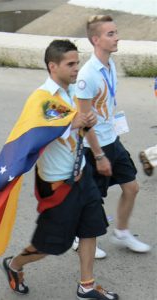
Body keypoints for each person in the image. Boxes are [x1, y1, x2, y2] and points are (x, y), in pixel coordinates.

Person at [2, 39, 119, 300]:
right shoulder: (41, 99)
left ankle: (86, 285)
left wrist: (93, 142)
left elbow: (79, 125)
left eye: (78, 62)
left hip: (82, 174)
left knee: (91, 228)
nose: (77, 68)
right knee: (48, 246)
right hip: (58, 184)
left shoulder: (71, 93)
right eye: (71, 64)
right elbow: (51, 127)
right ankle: (14, 265)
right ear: (52, 66)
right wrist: (79, 120)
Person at [73, 15, 151, 256]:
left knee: (132, 187)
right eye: (111, 34)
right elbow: (84, 123)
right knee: (92, 198)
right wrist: (98, 156)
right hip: (93, 147)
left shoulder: (110, 64)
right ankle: (79, 237)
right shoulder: (87, 76)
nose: (117, 38)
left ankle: (122, 232)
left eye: (116, 32)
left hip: (112, 141)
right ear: (95, 40)